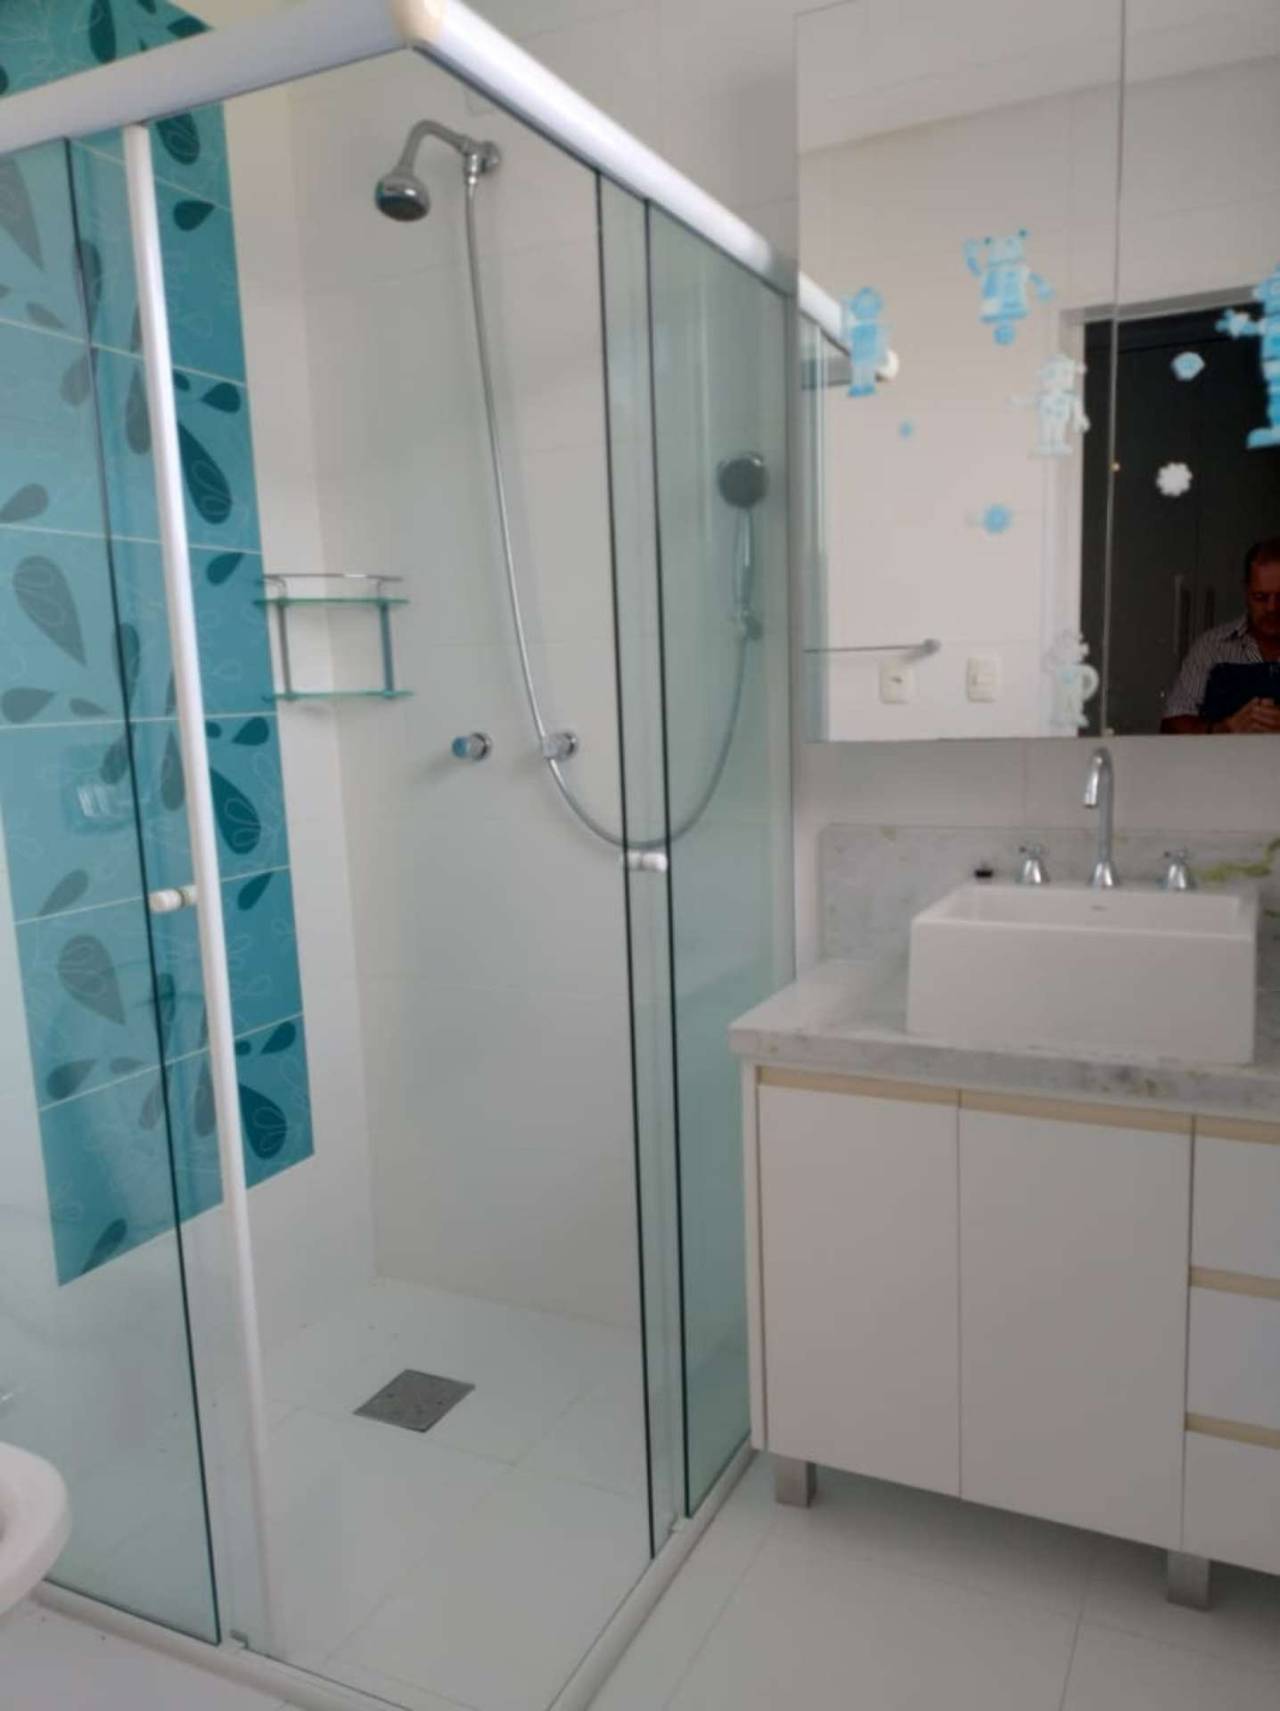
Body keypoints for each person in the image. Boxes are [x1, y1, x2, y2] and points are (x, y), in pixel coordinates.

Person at [1162, 538, 1280, 732]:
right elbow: (1171, 726)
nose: (1272, 608)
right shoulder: (1211, 647)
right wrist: (1224, 729)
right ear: (1246, 591)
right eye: (1261, 597)